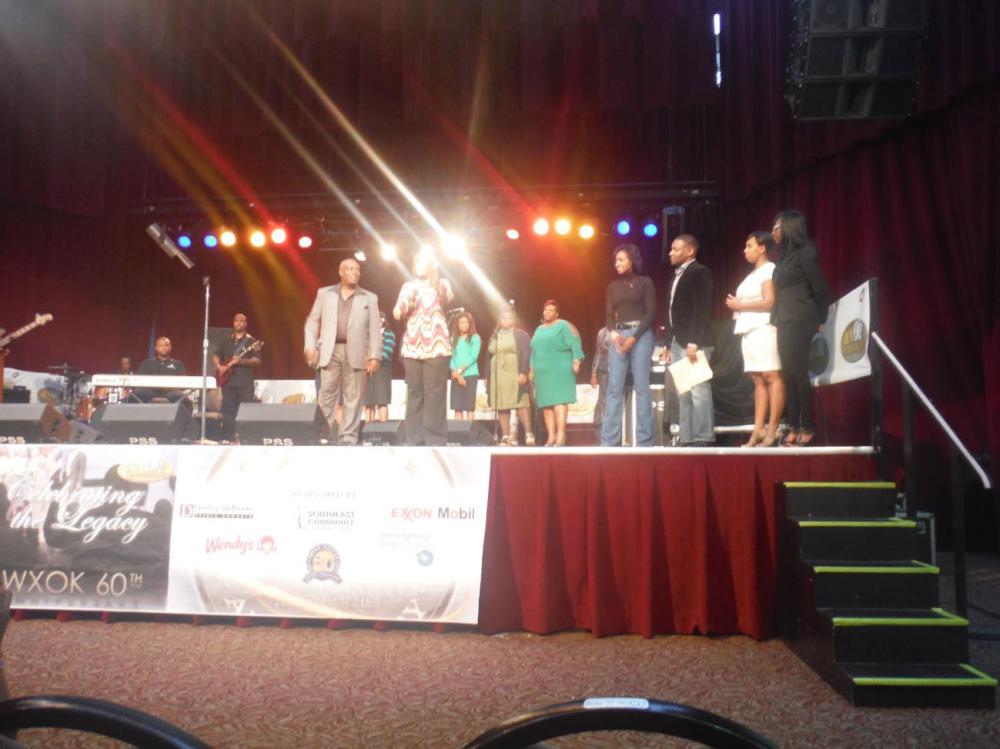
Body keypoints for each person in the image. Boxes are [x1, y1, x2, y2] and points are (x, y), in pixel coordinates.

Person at [304, 257, 382, 445]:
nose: (354, 273)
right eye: (349, 269)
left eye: (357, 270)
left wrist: (375, 356)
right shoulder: (325, 293)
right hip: (329, 350)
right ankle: (323, 435)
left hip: (357, 351)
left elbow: (374, 328)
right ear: (340, 272)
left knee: (353, 397)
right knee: (326, 395)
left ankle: (348, 438)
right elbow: (313, 321)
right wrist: (310, 345)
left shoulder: (369, 298)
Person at [771, 209, 830, 447]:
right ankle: (793, 425)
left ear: (788, 227)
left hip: (801, 318)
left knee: (798, 372)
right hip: (785, 320)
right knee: (788, 374)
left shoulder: (805, 252)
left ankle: (807, 426)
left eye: (776, 227)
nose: (773, 232)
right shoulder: (783, 256)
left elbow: (820, 288)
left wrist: (821, 318)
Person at [726, 232, 784, 447]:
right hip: (748, 329)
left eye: (749, 246)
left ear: (762, 248)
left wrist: (739, 305)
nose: (745, 250)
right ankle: (758, 429)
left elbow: (769, 301)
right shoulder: (752, 274)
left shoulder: (768, 269)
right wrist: (738, 306)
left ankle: (773, 428)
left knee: (771, 375)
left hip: (764, 327)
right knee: (757, 379)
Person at [393, 250, 453, 446]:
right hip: (413, 346)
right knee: (415, 392)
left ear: (432, 265)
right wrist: (401, 307)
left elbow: (448, 298)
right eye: (419, 262)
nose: (421, 265)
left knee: (434, 392)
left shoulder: (441, 284)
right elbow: (399, 308)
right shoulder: (408, 286)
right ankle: (414, 439)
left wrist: (435, 279)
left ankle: (435, 439)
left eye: (426, 262)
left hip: (436, 345)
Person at [600, 244, 656, 447]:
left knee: (642, 386)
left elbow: (651, 313)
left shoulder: (645, 282)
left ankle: (644, 441)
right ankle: (609, 440)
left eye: (621, 259)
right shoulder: (612, 286)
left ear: (631, 261)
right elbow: (608, 316)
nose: (617, 264)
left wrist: (635, 337)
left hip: (641, 334)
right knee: (614, 388)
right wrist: (614, 335)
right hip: (619, 335)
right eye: (616, 261)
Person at [664, 234, 715, 446]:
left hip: (694, 341)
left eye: (676, 249)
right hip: (678, 340)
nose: (671, 252)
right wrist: (668, 343)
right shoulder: (677, 275)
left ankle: (703, 436)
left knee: (699, 390)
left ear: (690, 251)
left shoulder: (699, 272)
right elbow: (672, 311)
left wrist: (695, 340)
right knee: (683, 391)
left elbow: (703, 308)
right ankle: (686, 437)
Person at [530, 300, 584, 447]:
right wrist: (531, 368)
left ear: (557, 313)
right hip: (542, 371)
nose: (547, 312)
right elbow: (534, 350)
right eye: (545, 310)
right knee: (546, 403)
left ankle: (561, 434)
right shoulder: (539, 329)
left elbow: (575, 340)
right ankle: (551, 436)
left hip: (560, 368)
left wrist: (576, 360)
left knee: (559, 400)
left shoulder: (563, 325)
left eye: (551, 310)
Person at [485, 304, 534, 446]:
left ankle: (529, 433)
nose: (506, 320)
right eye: (503, 318)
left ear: (513, 320)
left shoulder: (521, 334)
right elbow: (488, 355)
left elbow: (526, 353)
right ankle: (506, 436)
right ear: (499, 320)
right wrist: (487, 375)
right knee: (501, 404)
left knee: (520, 402)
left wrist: (523, 372)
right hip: (498, 374)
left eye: (509, 318)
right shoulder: (495, 335)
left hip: (514, 371)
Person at [212, 313, 262, 441]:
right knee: (228, 411)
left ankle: (246, 438)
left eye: (241, 321)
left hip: (245, 383)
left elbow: (257, 361)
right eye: (236, 321)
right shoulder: (226, 340)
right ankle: (228, 438)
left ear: (245, 324)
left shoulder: (252, 342)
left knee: (246, 411)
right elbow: (216, 355)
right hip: (228, 382)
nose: (238, 323)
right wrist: (219, 366)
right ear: (233, 323)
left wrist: (242, 361)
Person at [364, 312, 396, 423]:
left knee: (382, 401)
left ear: (382, 320)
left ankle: (383, 428)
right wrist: (366, 362)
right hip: (368, 370)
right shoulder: (367, 334)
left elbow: (388, 351)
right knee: (368, 403)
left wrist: (374, 360)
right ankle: (368, 429)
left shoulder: (389, 334)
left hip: (382, 369)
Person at [449, 311, 481, 420]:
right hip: (456, 376)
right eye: (461, 322)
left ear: (470, 324)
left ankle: (470, 431)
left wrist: (459, 371)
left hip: (471, 375)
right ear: (457, 324)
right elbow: (452, 358)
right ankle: (459, 431)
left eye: (467, 322)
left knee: (469, 407)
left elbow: (473, 357)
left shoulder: (475, 338)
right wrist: (457, 375)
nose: (464, 325)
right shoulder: (453, 339)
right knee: (457, 408)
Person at [135, 337, 187, 403]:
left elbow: (183, 384)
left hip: (171, 393)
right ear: (156, 348)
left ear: (170, 347)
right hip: (150, 392)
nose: (164, 348)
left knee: (184, 399)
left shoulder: (178, 364)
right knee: (135, 395)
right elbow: (138, 381)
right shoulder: (147, 363)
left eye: (166, 345)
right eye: (161, 346)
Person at [590, 326, 610, 433]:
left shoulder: (624, 330)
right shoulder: (603, 332)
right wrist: (593, 374)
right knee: (603, 396)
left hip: (620, 369)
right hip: (605, 369)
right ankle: (598, 422)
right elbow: (598, 353)